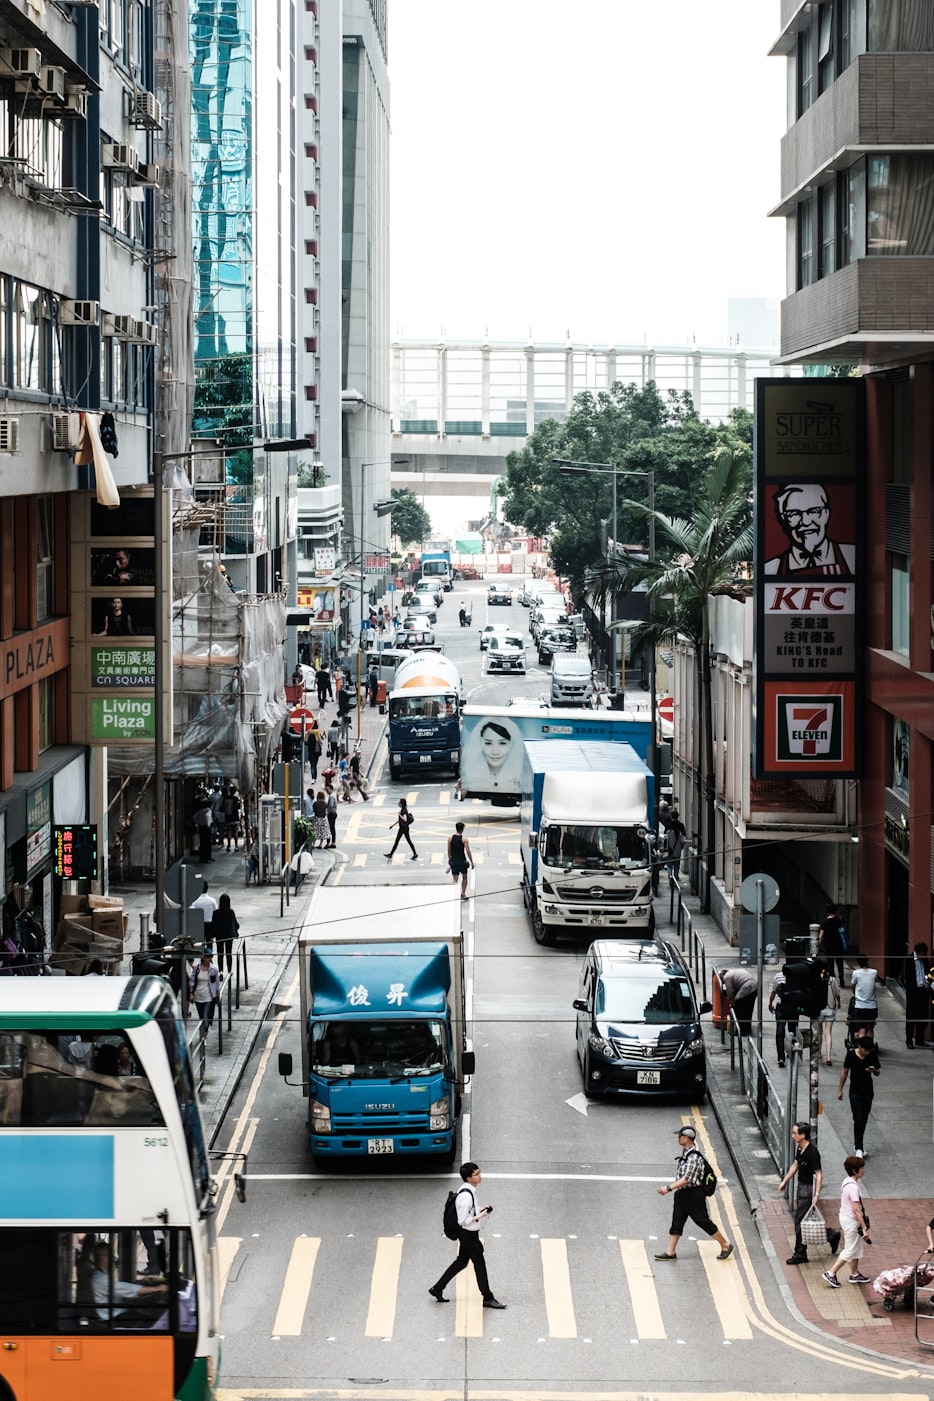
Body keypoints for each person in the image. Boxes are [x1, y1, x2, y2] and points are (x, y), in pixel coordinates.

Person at [429, 1161, 506, 1309]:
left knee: (462, 1262)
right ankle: (487, 1297)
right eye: (476, 1174)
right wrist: (480, 1216)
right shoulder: (466, 1196)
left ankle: (437, 1288)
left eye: (479, 1172)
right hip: (468, 1235)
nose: (479, 1176)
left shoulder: (468, 1190)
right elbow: (463, 1220)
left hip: (469, 1234)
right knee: (479, 1263)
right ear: (469, 1178)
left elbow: (469, 1210)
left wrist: (481, 1208)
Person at [654, 1125, 733, 1262]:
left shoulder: (694, 1157)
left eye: (680, 1136)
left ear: (686, 1138)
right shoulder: (686, 1154)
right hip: (682, 1195)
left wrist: (668, 1188)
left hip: (693, 1194)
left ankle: (725, 1245)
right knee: (677, 1221)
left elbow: (687, 1178)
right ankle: (670, 1251)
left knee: (703, 1221)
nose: (678, 1138)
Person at [777, 1122, 841, 1265]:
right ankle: (831, 1235)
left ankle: (800, 1254)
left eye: (795, 1133)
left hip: (808, 1189)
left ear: (803, 1135)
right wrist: (785, 1181)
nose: (793, 1135)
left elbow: (819, 1174)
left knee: (800, 1221)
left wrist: (816, 1194)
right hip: (801, 1186)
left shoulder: (812, 1152)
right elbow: (796, 1165)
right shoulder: (800, 1148)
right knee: (803, 1220)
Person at [764, 482, 856, 577]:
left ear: (826, 514)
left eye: (814, 511)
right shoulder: (771, 568)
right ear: (784, 520)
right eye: (794, 513)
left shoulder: (851, 556)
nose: (806, 522)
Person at [822, 1156, 873, 1288]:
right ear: (855, 1170)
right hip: (851, 1221)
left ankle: (855, 1274)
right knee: (850, 1249)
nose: (863, 1170)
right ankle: (831, 1273)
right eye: (861, 1168)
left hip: (845, 1217)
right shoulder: (853, 1188)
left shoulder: (847, 1182)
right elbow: (856, 1210)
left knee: (856, 1247)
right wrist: (864, 1228)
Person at [90, 1242, 167, 1324]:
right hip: (112, 1319)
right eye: (110, 1255)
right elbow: (128, 1289)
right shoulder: (101, 1279)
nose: (113, 1258)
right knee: (148, 1321)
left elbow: (124, 1289)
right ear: (103, 1258)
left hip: (117, 1314)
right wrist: (158, 1288)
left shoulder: (100, 1275)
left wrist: (143, 1282)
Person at [838, 1033, 880, 1158]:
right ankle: (859, 1147)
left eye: (868, 1050)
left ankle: (859, 1144)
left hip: (868, 1092)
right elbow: (844, 1072)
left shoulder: (872, 1056)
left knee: (864, 1119)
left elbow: (878, 1072)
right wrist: (840, 1089)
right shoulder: (851, 1055)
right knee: (858, 1119)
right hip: (854, 1092)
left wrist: (873, 1071)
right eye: (865, 1050)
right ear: (859, 1046)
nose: (866, 1052)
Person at [903, 941, 932, 1048]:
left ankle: (920, 1039)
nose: (924, 955)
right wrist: (910, 990)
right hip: (913, 993)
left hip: (923, 991)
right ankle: (909, 1040)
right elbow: (905, 978)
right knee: (911, 1018)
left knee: (923, 1017)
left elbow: (929, 973)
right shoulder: (909, 961)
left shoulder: (925, 960)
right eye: (923, 953)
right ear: (918, 952)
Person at [768, 966, 796, 1069]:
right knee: (793, 1031)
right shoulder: (795, 976)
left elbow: (773, 992)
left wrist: (770, 1004)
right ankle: (792, 1054)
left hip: (781, 1008)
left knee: (780, 1032)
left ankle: (781, 1057)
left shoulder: (777, 976)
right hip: (793, 1007)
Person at [720, 965, 758, 1038]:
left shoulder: (727, 977)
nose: (722, 982)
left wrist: (732, 1004)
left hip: (747, 987)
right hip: (754, 987)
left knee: (739, 1009)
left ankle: (741, 1030)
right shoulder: (734, 972)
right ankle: (747, 1029)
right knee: (748, 1010)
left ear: (722, 975)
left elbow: (730, 992)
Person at [187, 947, 221, 1026]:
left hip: (208, 996)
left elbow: (217, 984)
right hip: (198, 996)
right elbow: (192, 981)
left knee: (205, 1018)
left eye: (211, 956)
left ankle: (204, 1033)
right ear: (203, 957)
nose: (209, 958)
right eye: (207, 956)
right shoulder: (196, 968)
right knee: (201, 1017)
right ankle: (203, 1035)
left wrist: (217, 997)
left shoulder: (214, 969)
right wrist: (191, 993)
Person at [818, 959, 842, 1066]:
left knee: (819, 1032)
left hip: (819, 1009)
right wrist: (838, 1002)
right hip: (830, 1008)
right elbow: (837, 993)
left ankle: (818, 1053)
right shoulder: (832, 980)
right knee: (828, 1033)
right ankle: (828, 1056)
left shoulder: (816, 979)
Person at [817, 904, 847, 985]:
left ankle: (832, 980)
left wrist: (818, 944)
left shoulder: (825, 922)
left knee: (830, 963)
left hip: (829, 945)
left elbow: (821, 935)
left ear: (827, 911)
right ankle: (841, 979)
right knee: (840, 963)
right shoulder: (839, 920)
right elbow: (842, 930)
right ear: (835, 911)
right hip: (838, 944)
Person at [850, 955, 878, 1040]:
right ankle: (870, 1047)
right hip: (872, 1005)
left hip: (860, 1005)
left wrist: (855, 994)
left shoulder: (856, 973)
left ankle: (862, 1048)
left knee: (861, 1029)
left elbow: (853, 986)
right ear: (867, 961)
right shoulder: (874, 972)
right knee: (870, 1028)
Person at [211, 893, 238, 976]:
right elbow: (235, 924)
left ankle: (220, 971)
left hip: (219, 935)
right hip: (229, 935)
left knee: (220, 953)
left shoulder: (216, 913)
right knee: (228, 953)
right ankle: (229, 970)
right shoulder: (231, 912)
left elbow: (213, 925)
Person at [447, 821, 474, 898]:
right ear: (462, 829)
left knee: (455, 879)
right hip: (462, 861)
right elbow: (468, 851)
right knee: (464, 877)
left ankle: (454, 894)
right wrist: (471, 862)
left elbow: (449, 850)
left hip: (454, 861)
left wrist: (449, 859)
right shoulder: (464, 839)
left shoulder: (450, 838)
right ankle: (463, 893)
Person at [664, 810, 686, 879]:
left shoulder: (668, 826)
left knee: (669, 864)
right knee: (677, 864)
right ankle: (676, 876)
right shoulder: (681, 826)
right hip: (678, 848)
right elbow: (683, 839)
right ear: (678, 817)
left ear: (671, 816)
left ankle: (670, 876)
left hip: (669, 849)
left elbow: (665, 838)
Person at [222, 785, 242, 851]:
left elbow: (222, 808)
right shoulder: (236, 799)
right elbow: (239, 807)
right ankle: (236, 846)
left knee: (229, 832)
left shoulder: (225, 798)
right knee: (235, 832)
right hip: (235, 817)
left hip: (228, 817)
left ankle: (229, 846)